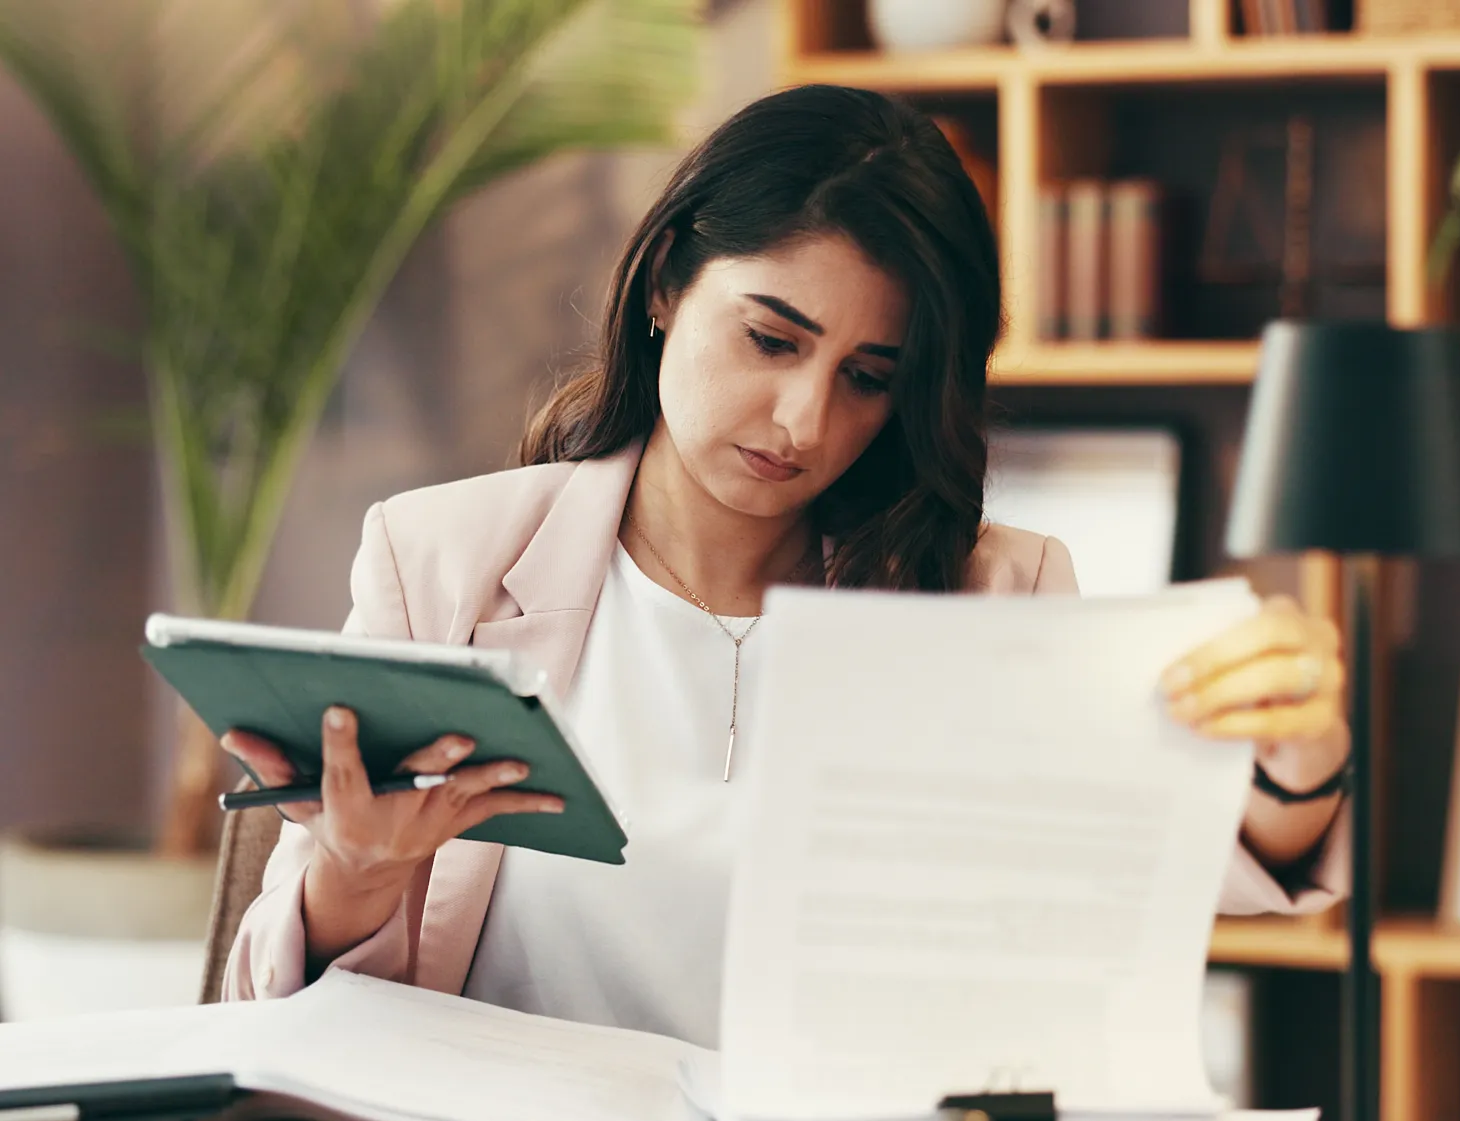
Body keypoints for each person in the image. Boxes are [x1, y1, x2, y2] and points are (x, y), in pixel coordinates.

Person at [221, 84, 1349, 1046]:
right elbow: (269, 1010)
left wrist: (1298, 760)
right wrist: (356, 877)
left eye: (869, 376)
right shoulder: (441, 563)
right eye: (772, 340)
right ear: (665, 284)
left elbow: (1173, 874)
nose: (802, 420)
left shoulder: (989, 596)